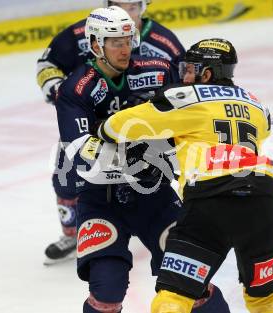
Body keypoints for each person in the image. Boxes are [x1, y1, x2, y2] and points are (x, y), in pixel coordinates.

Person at [55, 8, 229, 313]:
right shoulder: (76, 88)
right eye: (116, 42)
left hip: (155, 197)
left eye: (128, 40)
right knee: (106, 293)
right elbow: (80, 152)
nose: (125, 49)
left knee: (192, 281)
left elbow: (189, 115)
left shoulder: (159, 70)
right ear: (96, 45)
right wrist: (132, 156)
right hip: (101, 200)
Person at [95, 38, 273, 313]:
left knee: (173, 298)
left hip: (209, 206)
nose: (184, 75)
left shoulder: (183, 98)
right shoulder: (258, 106)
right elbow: (263, 130)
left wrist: (100, 128)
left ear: (206, 73)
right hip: (263, 205)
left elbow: (119, 127)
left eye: (189, 69)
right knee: (267, 300)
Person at [36, 0, 185, 264]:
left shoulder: (163, 44)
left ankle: (151, 219)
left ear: (143, 7)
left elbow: (185, 83)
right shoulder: (82, 35)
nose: (126, 12)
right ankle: (74, 232)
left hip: (137, 130)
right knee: (66, 178)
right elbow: (48, 63)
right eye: (119, 4)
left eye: (132, 7)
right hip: (87, 123)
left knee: (157, 173)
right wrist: (61, 93)